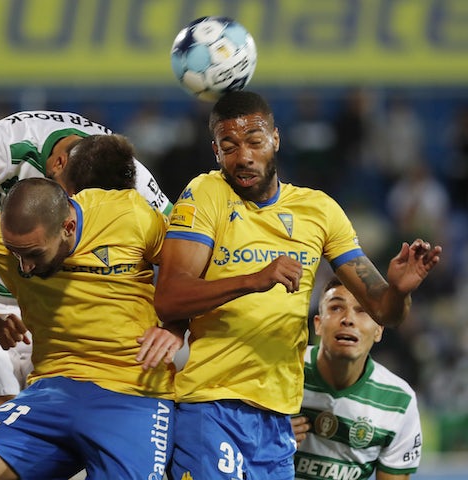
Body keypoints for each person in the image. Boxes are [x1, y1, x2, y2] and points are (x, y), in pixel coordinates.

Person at [152, 91, 442, 480]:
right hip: (213, 404)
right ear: (216, 151)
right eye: (229, 146)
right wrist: (254, 280)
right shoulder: (206, 194)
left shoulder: (318, 211)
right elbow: (170, 298)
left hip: (278, 417)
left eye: (254, 142)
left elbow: (385, 312)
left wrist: (399, 290)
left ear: (276, 139)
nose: (243, 157)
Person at [0, 129, 182, 479]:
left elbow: (196, 269)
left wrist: (176, 327)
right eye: (15, 254)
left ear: (67, 227)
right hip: (53, 391)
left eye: (34, 254)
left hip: (134, 394)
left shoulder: (131, 216)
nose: (24, 268)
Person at [0, 110, 172, 418]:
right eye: (70, 199)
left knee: (67, 431)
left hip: (59, 301)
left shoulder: (129, 177)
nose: (71, 218)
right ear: (57, 164)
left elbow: (184, 252)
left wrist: (173, 326)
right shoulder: (2, 144)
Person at [291, 277, 421, 480]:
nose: (348, 319)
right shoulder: (283, 370)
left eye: (362, 311)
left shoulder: (398, 401)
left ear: (379, 330)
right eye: (335, 308)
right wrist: (265, 440)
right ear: (317, 324)